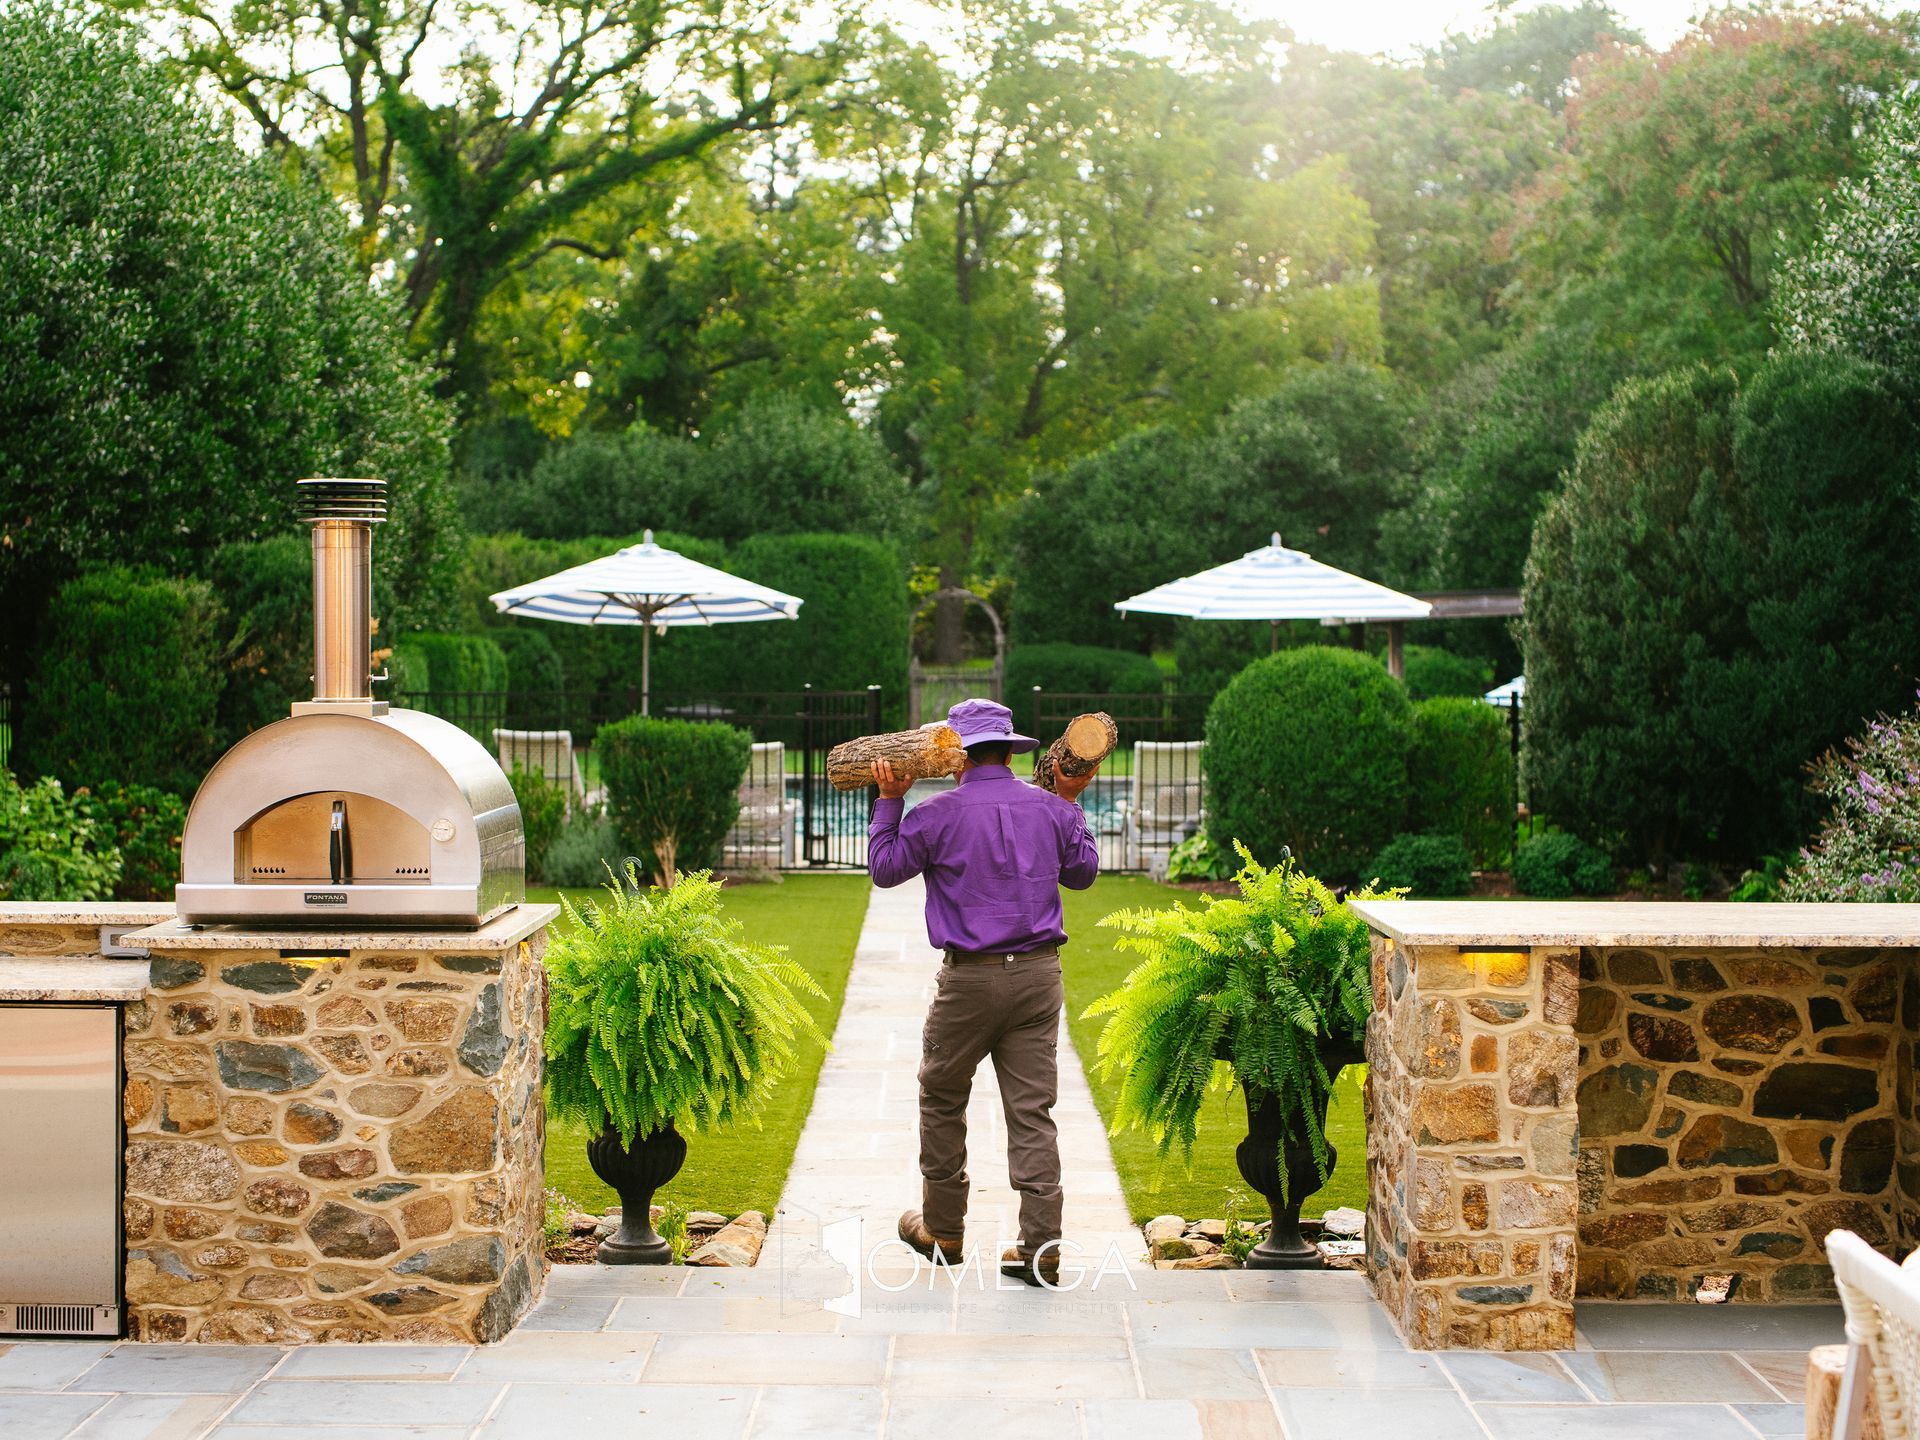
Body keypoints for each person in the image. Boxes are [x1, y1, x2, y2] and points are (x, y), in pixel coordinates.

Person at [867, 697, 1100, 1286]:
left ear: (956, 754)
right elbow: (1083, 873)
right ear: (1009, 747)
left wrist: (890, 801)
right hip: (1038, 978)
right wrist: (1069, 805)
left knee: (942, 1096)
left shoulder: (934, 814)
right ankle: (1041, 1246)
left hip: (968, 980)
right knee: (1032, 1111)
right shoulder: (1051, 808)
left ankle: (944, 1230)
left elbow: (885, 867)